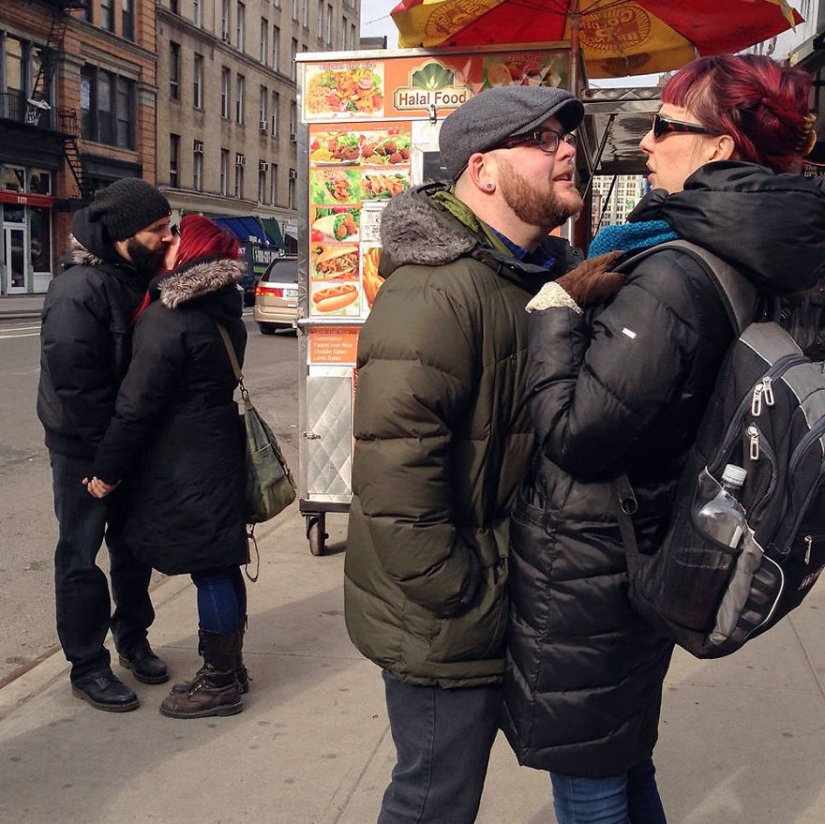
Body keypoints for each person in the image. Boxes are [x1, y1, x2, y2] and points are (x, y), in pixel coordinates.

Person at [501, 54, 825, 824]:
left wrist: (553, 315)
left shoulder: (676, 273)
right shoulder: (766, 255)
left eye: (665, 125)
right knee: (618, 756)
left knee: (587, 778)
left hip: (594, 556)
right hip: (656, 534)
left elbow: (578, 435)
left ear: (718, 148)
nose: (645, 142)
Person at [343, 85, 586, 824]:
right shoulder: (433, 294)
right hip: (450, 617)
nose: (567, 149)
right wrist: (466, 593)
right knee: (432, 802)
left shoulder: (540, 276)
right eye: (542, 140)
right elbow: (395, 485)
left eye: (565, 137)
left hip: (518, 592)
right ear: (482, 171)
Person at [85, 215, 250, 720]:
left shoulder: (170, 316)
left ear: (194, 250)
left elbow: (135, 406)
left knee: (211, 569)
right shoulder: (225, 308)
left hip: (184, 460)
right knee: (221, 562)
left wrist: (106, 471)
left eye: (178, 236)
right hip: (218, 449)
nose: (167, 241)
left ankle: (219, 681)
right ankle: (231, 667)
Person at [38, 178, 173, 712]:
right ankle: (86, 663)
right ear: (121, 235)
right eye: (157, 230)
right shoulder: (80, 290)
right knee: (80, 554)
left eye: (169, 228)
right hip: (84, 449)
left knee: (132, 547)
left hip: (123, 443)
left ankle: (133, 641)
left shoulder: (134, 276)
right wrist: (104, 462)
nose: (167, 239)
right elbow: (76, 386)